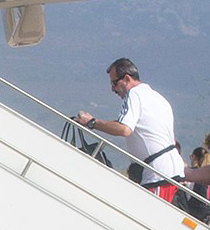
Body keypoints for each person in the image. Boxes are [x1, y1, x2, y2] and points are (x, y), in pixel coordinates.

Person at [72, 60, 182, 189]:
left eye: (114, 83)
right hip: (172, 170)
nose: (112, 88)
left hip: (157, 174)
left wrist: (92, 123)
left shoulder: (134, 94)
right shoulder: (157, 98)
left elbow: (124, 129)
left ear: (127, 79)